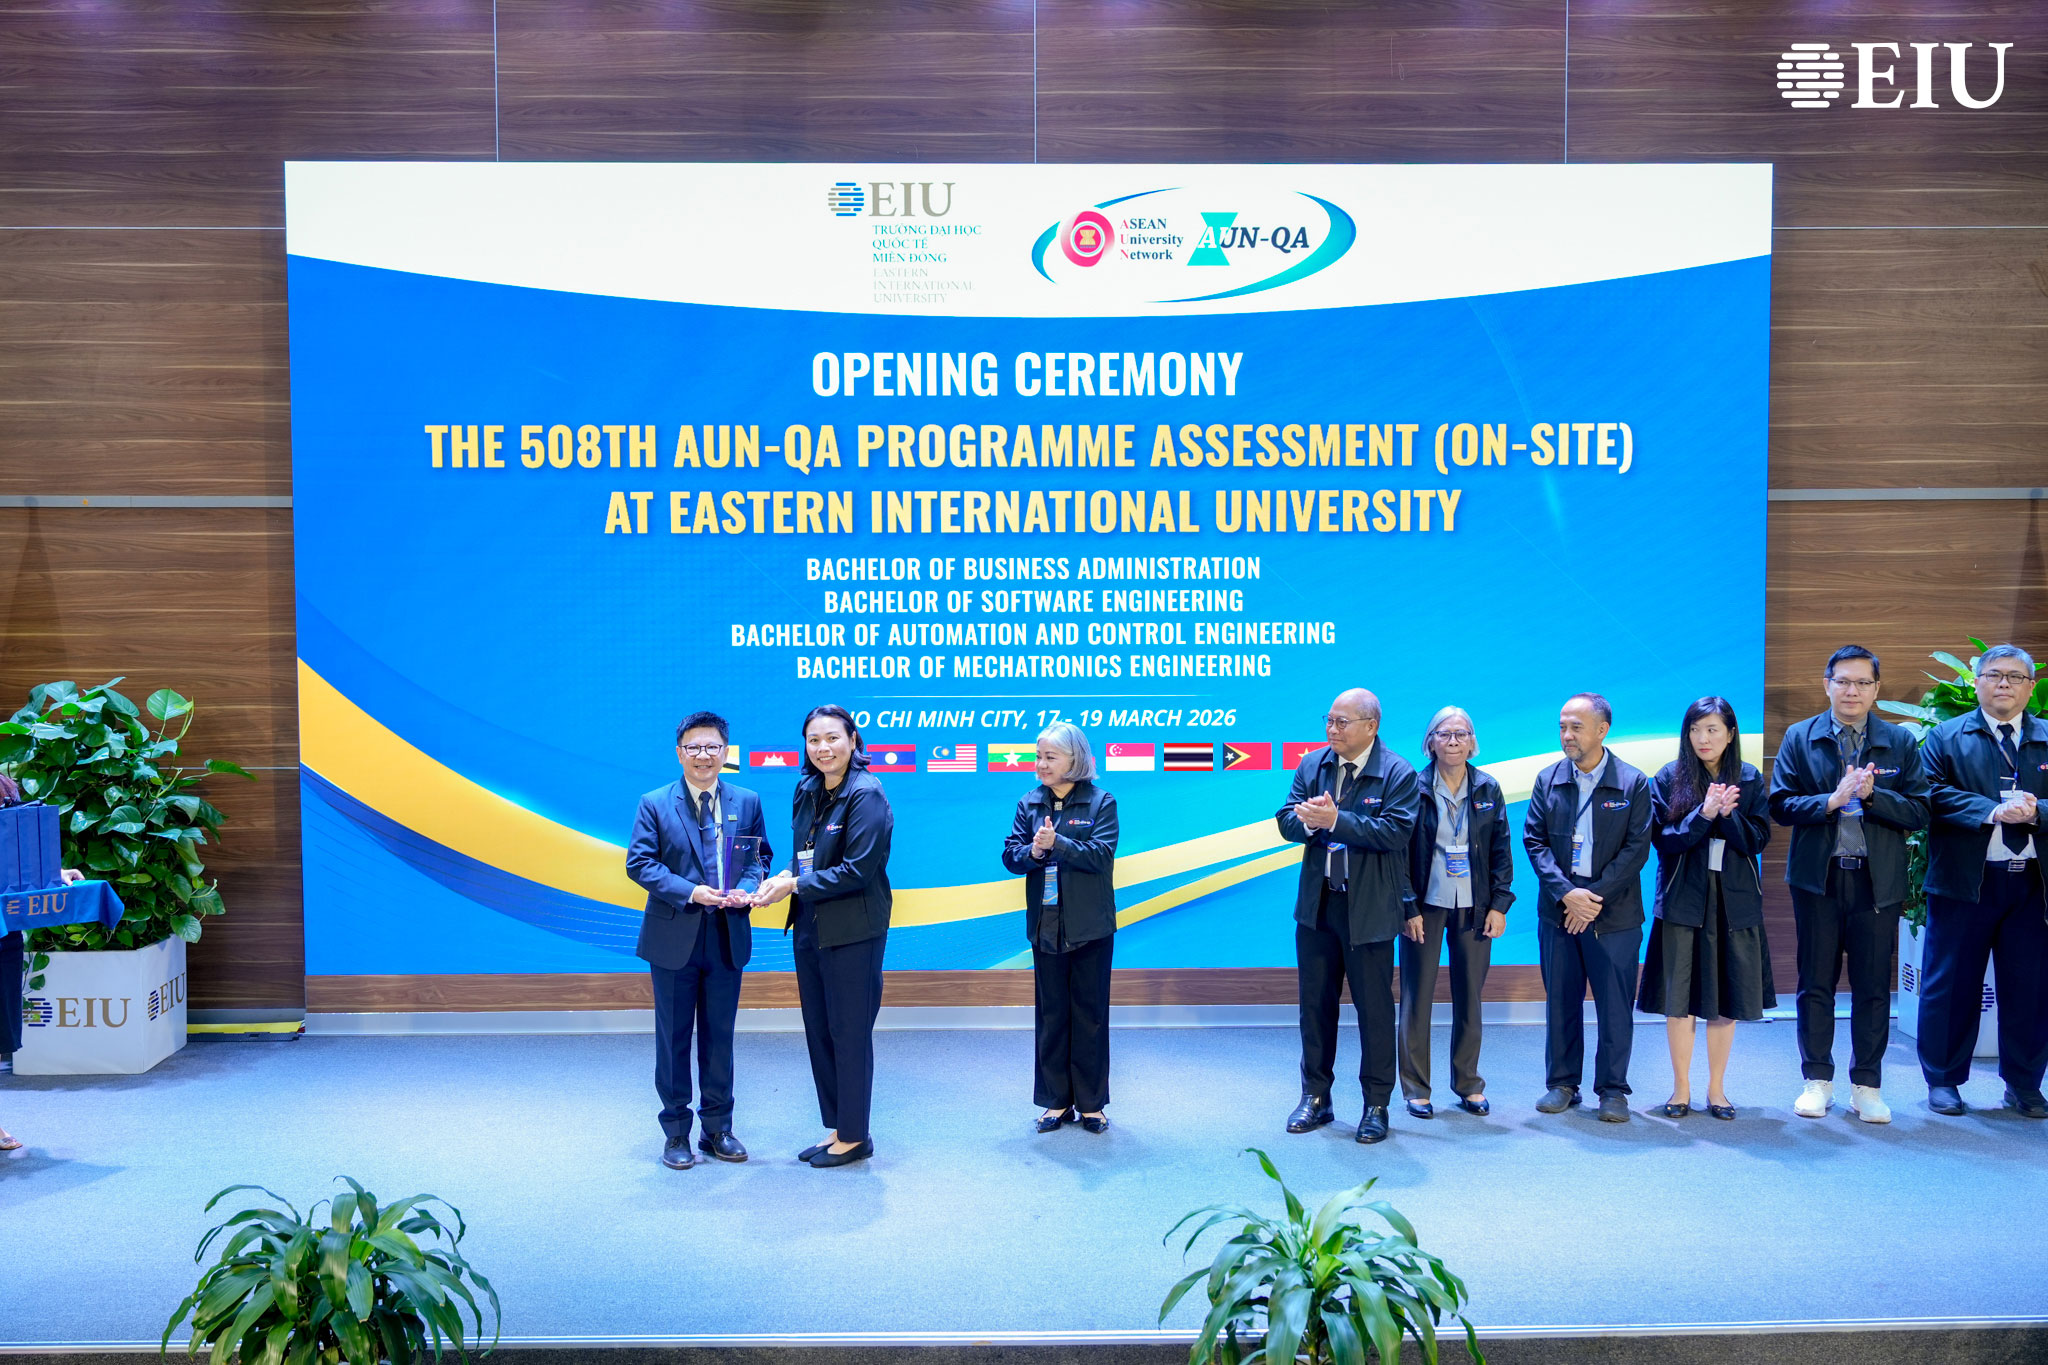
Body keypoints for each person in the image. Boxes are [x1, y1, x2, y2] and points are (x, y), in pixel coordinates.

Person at [1768, 645, 1929, 1123]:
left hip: (1877, 883)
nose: (1852, 691)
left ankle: (1867, 1086)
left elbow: (1920, 811)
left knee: (1873, 987)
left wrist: (1874, 796)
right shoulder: (1801, 736)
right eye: (1842, 681)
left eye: (1862, 682)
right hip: (1817, 880)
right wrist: (1830, 801)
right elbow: (1780, 806)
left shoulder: (1898, 741)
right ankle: (1817, 1081)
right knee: (1815, 982)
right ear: (1827, 685)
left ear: (1876, 689)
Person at [625, 711, 771, 1170]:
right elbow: (640, 864)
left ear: (725, 752)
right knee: (673, 1038)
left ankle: (717, 1129)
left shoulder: (747, 800)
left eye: (712, 747)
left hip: (727, 933)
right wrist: (691, 891)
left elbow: (759, 857)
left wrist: (746, 887)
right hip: (674, 935)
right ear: (679, 753)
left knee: (719, 1037)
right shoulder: (654, 803)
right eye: (694, 747)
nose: (703, 755)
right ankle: (675, 1132)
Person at [750, 704, 894, 1166]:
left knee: (849, 1032)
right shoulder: (807, 789)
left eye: (833, 738)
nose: (823, 748)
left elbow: (857, 870)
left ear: (853, 741)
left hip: (854, 929)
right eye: (814, 740)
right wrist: (784, 877)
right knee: (820, 1030)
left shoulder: (866, 794)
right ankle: (837, 1127)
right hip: (810, 924)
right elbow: (805, 854)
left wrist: (795, 884)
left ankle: (855, 1136)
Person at [1276, 688, 1420, 1144]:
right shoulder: (1312, 764)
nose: (1332, 729)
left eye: (1343, 722)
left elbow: (1396, 832)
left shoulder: (1397, 772)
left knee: (1374, 1012)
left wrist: (1336, 821)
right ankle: (1316, 1096)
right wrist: (1307, 821)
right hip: (1319, 906)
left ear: (1371, 726)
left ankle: (1376, 1105)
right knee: (1314, 1007)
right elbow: (1285, 819)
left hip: (1370, 909)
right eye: (1329, 720)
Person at [1917, 644, 2047, 1119]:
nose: (2004, 684)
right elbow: (1929, 794)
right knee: (1951, 984)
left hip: (2032, 885)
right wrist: (1991, 811)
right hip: (1964, 881)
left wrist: (2037, 811)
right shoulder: (1946, 737)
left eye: (2015, 677)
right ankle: (1944, 1080)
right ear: (1977, 683)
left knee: (2031, 987)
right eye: (1994, 675)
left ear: (2031, 687)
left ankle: (2024, 1084)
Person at [1637, 697, 1774, 1119]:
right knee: (1680, 999)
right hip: (1683, 901)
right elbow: (1663, 840)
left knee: (1725, 998)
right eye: (1695, 730)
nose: (1703, 738)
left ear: (1730, 734)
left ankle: (1717, 1090)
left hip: (1733, 902)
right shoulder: (1669, 777)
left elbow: (1758, 840)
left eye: (1712, 729)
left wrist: (1728, 817)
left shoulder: (1748, 778)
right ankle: (1681, 1088)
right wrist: (1703, 814)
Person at [1524, 693, 1654, 1122]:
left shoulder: (1632, 783)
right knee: (1561, 1000)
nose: (1567, 735)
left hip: (1612, 914)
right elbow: (1535, 842)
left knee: (1614, 1005)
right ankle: (1562, 1083)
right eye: (1562, 727)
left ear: (1602, 730)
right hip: (1560, 911)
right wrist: (1568, 895)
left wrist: (1592, 898)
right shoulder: (1548, 779)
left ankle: (1613, 1090)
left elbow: (1636, 850)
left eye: (1576, 727)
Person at [1001, 722, 1120, 1134]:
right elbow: (1011, 856)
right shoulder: (1029, 802)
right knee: (1051, 1016)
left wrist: (1059, 844)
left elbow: (1101, 855)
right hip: (1045, 924)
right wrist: (1034, 852)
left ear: (1075, 759)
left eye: (1050, 757)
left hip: (1090, 926)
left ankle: (1091, 1105)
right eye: (1038, 756)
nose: (1041, 764)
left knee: (1090, 1016)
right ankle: (1056, 1101)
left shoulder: (1101, 801)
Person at [1397, 706, 1514, 1120]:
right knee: (1417, 996)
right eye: (1444, 734)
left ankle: (1468, 1084)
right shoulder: (1412, 788)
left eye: (1461, 734)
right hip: (1424, 906)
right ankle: (1416, 1088)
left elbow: (1501, 850)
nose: (1453, 741)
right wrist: (1407, 906)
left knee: (1470, 996)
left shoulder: (1487, 788)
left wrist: (1499, 904)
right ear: (1430, 742)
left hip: (1474, 906)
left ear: (1472, 742)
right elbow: (1398, 854)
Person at [0, 771, 85, 1156]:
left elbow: (16, 855)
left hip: (5, 937)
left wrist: (54, 875)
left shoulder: (5, 785)